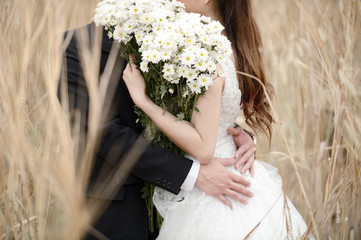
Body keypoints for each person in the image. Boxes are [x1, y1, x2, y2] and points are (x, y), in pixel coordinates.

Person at [122, 0, 312, 239]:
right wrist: (235, 130)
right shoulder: (229, 43)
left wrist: (143, 101)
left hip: (215, 188)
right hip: (231, 168)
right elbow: (216, 114)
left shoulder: (206, 56)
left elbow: (203, 149)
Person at [61, 14, 256, 240]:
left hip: (189, 210)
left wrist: (234, 135)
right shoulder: (74, 45)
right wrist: (193, 175)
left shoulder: (179, 33)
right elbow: (102, 132)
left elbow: (196, 105)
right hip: (120, 211)